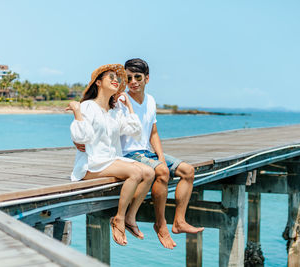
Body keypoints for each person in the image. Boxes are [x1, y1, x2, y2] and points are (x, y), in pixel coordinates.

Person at [66, 64, 155, 246]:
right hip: (91, 163)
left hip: (111, 159)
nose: (116, 80)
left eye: (117, 78)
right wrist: (77, 112)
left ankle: (130, 217)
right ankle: (119, 219)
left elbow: (135, 131)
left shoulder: (115, 110)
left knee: (149, 173)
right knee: (136, 173)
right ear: (98, 82)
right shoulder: (87, 107)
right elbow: (82, 137)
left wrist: (129, 106)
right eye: (111, 77)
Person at [121, 58, 204, 249]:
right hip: (128, 154)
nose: (133, 81)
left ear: (147, 79)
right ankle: (161, 224)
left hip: (146, 152)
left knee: (188, 171)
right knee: (163, 172)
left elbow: (154, 133)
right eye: (128, 78)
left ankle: (179, 222)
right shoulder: (121, 100)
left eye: (137, 77)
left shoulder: (150, 101)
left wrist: (160, 156)